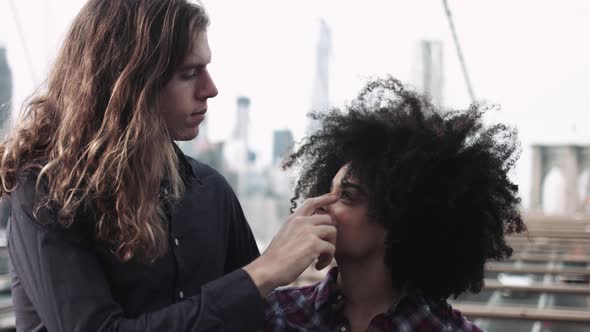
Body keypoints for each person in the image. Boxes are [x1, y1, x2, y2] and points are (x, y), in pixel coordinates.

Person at [0, 0, 338, 331]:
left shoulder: (212, 190)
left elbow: (256, 316)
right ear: (130, 84)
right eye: (189, 74)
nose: (210, 89)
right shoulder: (47, 192)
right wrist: (264, 271)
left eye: (206, 69)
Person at [263, 77, 525, 331]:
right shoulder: (277, 314)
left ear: (400, 216)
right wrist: (267, 272)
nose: (321, 204)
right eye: (327, 189)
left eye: (346, 195)